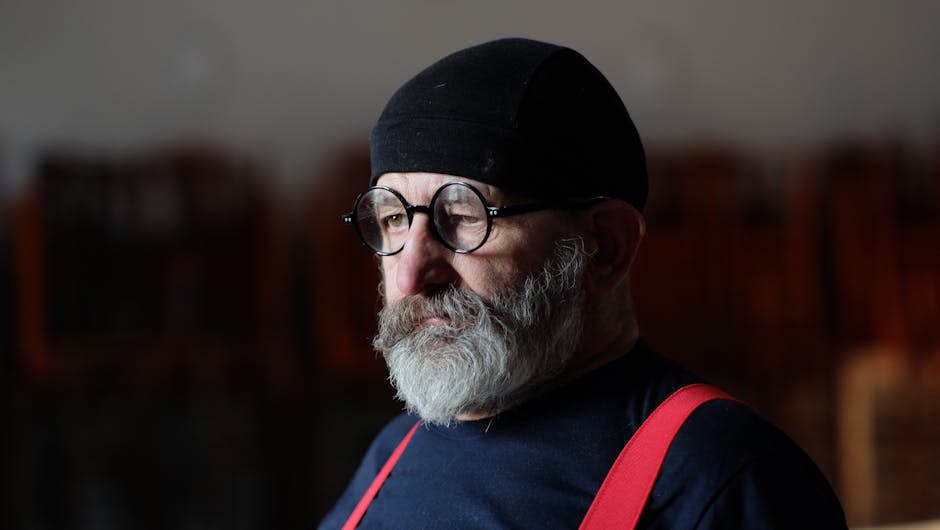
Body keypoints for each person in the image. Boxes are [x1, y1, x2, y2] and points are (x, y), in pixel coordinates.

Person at [319, 37, 847, 529]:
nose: (410, 274)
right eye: (391, 219)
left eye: (461, 215)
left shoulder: (721, 476)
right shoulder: (393, 454)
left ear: (604, 247)